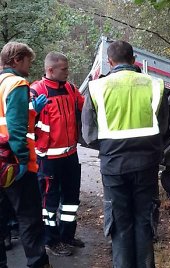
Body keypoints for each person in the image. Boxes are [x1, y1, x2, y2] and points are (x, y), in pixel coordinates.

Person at [82, 40, 169, 268]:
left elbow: (89, 135)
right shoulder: (155, 85)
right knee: (144, 221)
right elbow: (163, 127)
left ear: (109, 62)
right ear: (134, 60)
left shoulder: (96, 88)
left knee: (120, 224)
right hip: (146, 165)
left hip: (113, 167)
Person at [0, 41, 51, 268]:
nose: (31, 65)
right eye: (28, 60)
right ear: (16, 60)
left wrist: (32, 111)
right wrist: (21, 160)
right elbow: (16, 127)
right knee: (29, 218)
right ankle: (38, 263)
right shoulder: (17, 84)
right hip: (14, 163)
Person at [30, 52, 85, 257]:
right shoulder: (36, 91)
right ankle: (51, 240)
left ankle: (67, 236)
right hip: (48, 160)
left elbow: (84, 105)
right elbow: (25, 122)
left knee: (71, 200)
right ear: (51, 70)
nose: (67, 72)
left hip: (70, 156)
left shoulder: (70, 88)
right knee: (49, 204)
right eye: (64, 69)